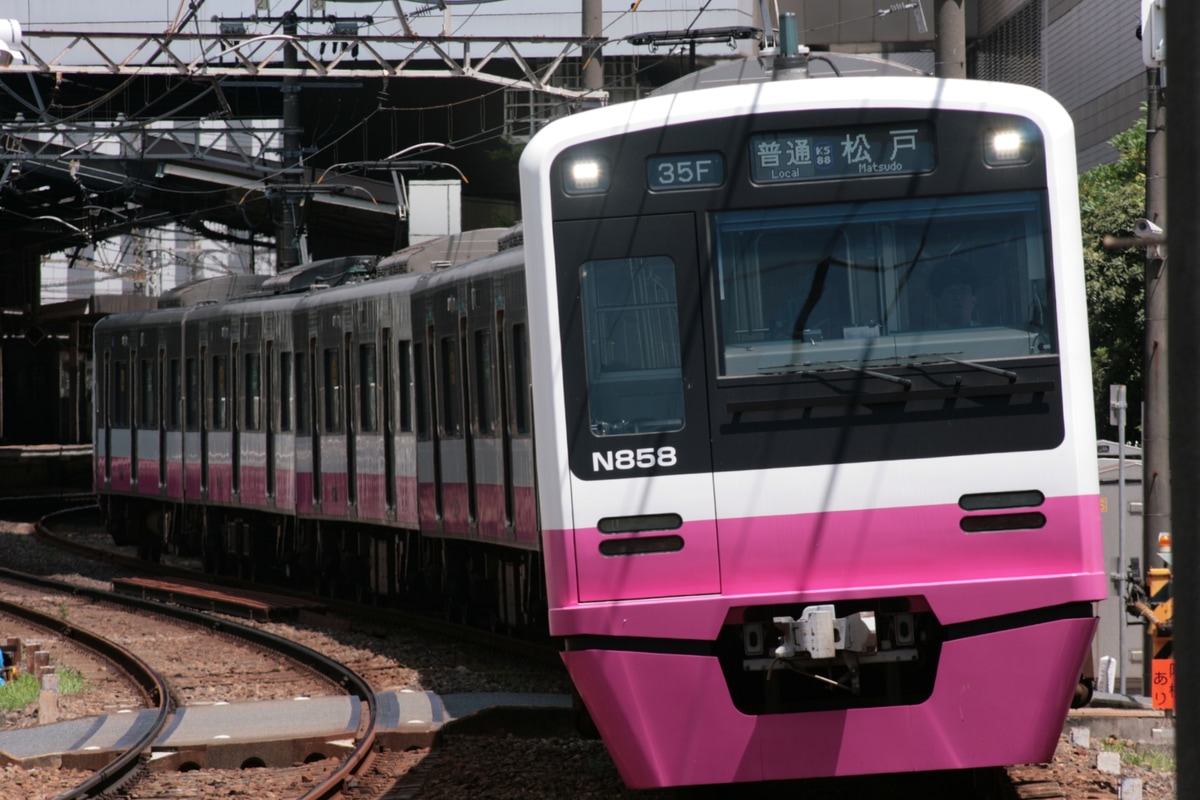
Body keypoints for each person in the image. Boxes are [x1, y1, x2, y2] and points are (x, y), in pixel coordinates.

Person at [928, 259, 979, 329]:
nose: (958, 297)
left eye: (964, 291)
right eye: (951, 292)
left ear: (974, 299)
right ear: (939, 302)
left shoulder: (987, 334)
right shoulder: (931, 337)